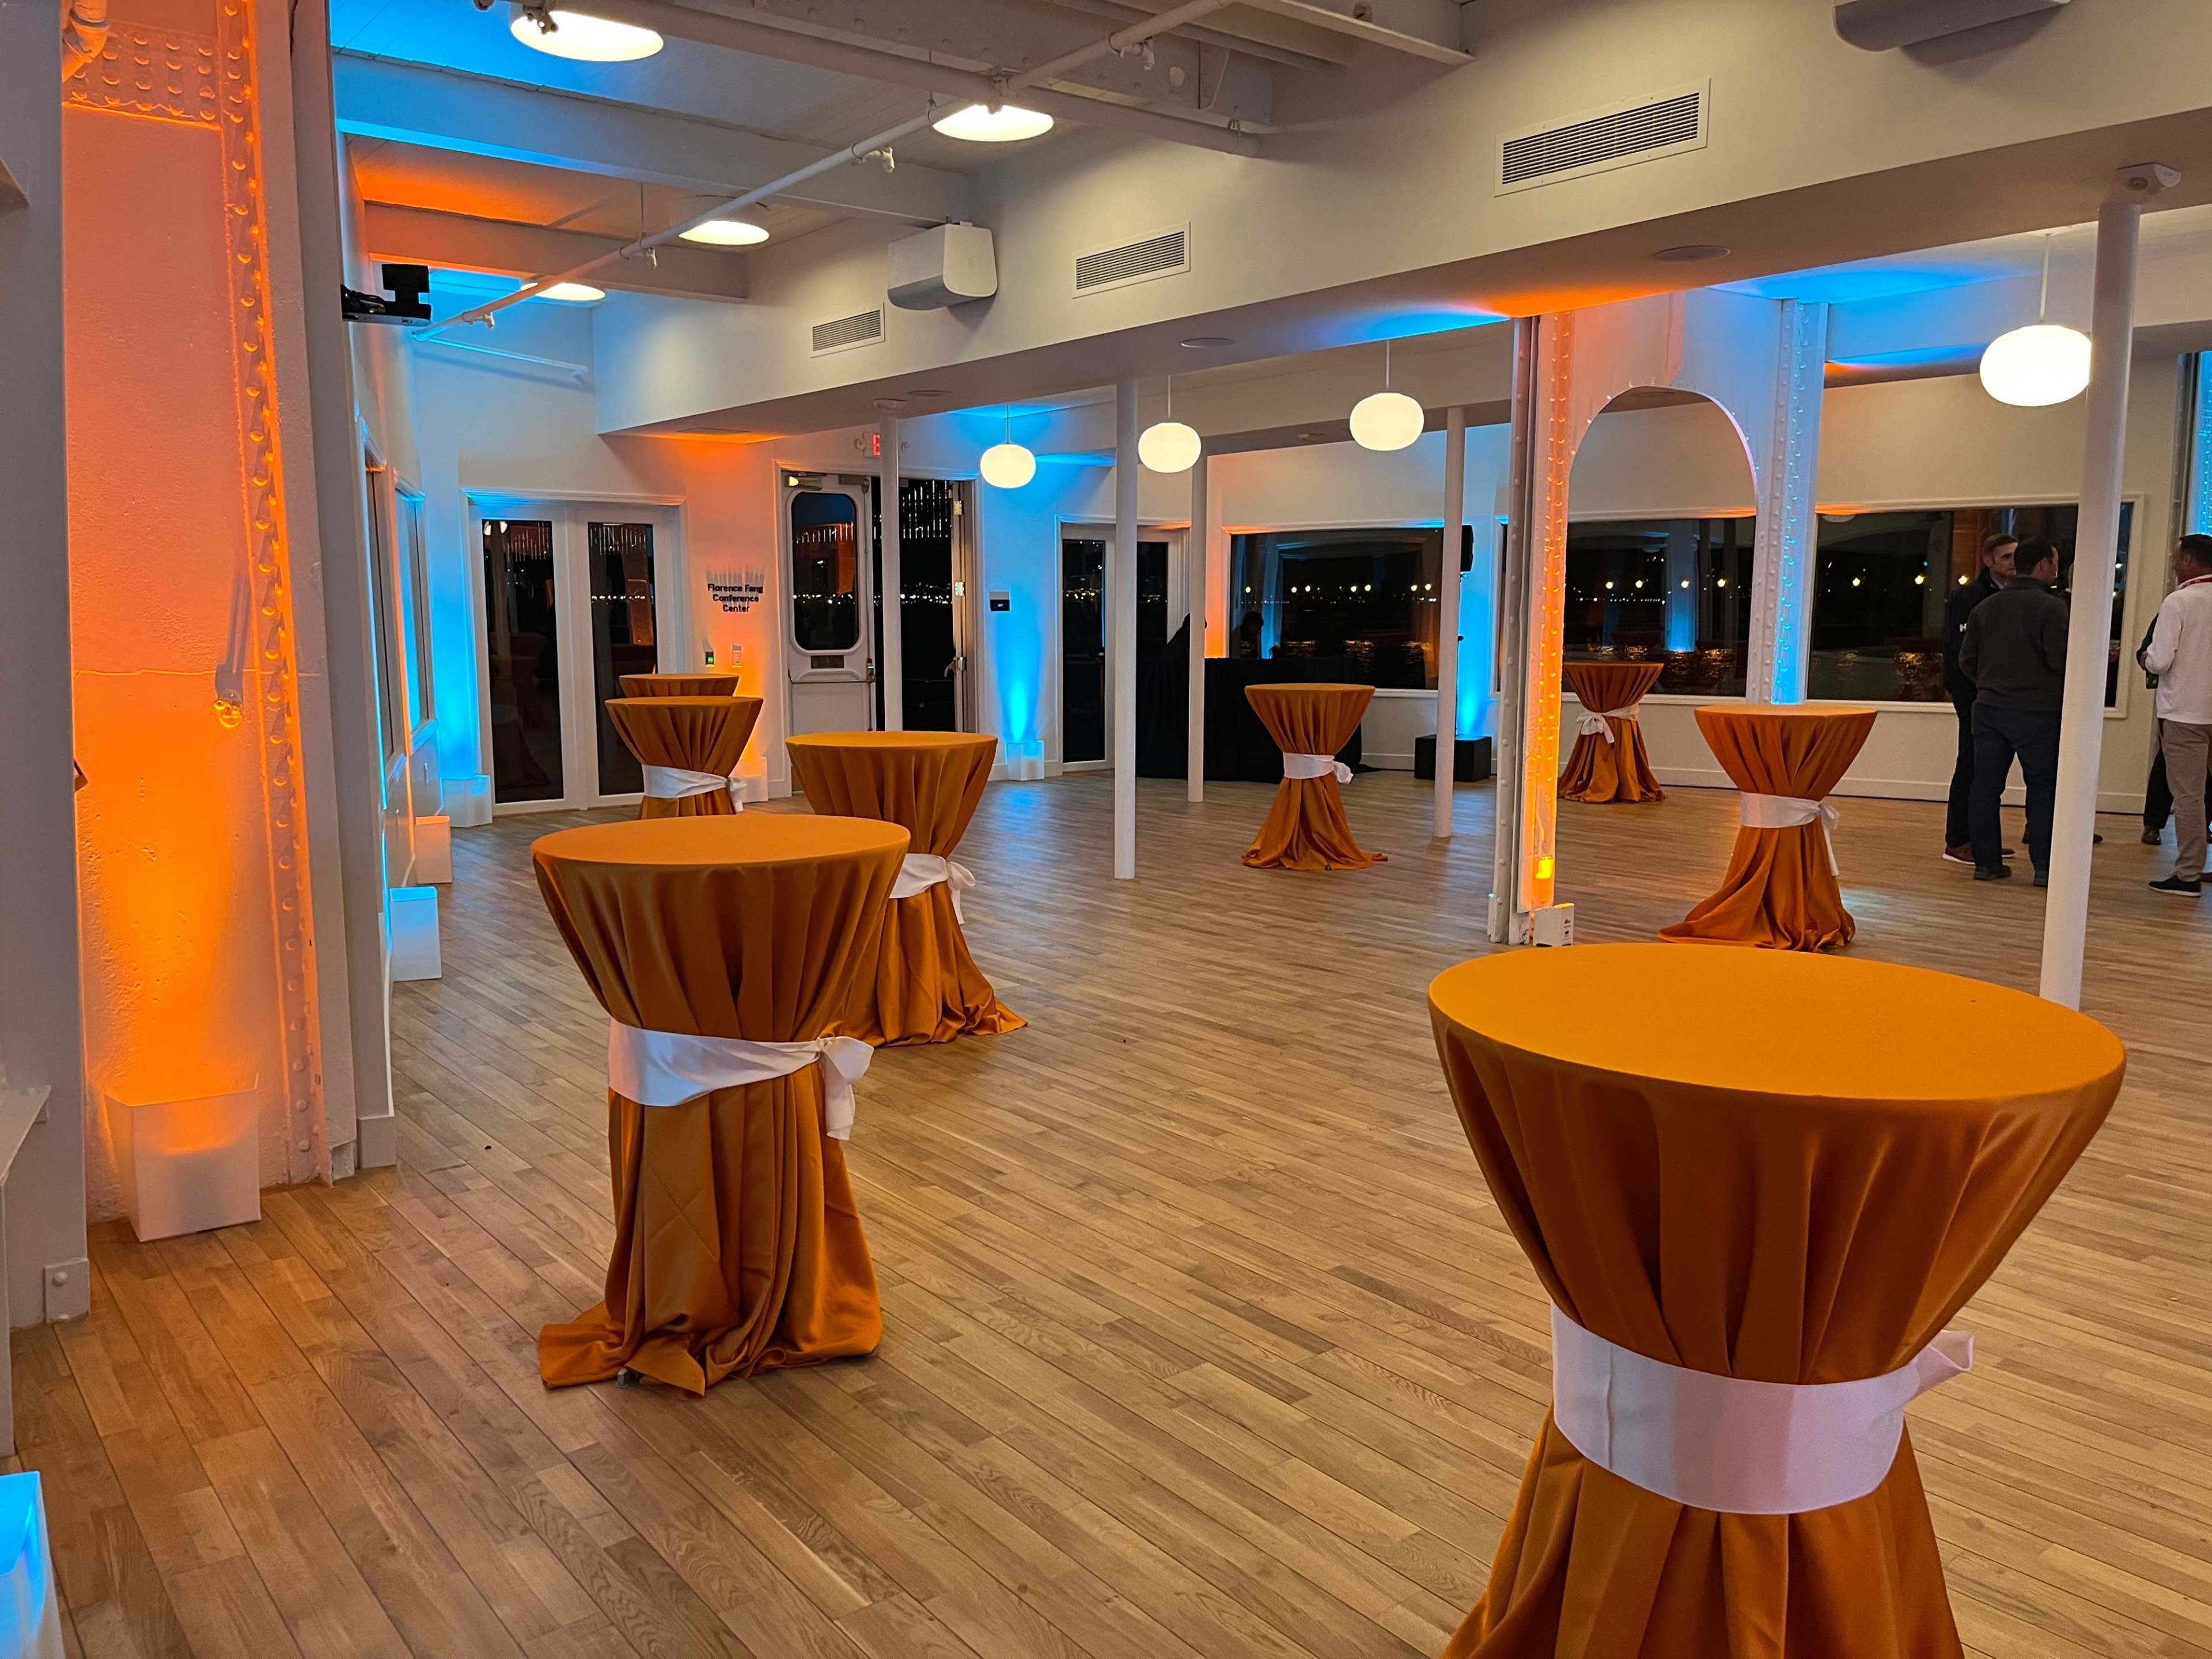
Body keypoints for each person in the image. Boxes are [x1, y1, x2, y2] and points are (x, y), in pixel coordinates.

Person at [1960, 539, 2066, 885]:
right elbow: (2061, 660)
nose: (2055, 570)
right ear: (2042, 567)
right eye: (2054, 563)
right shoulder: (2052, 609)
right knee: (2042, 786)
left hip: (1989, 708)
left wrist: (1990, 684)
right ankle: (2044, 866)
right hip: (2038, 710)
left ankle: (1987, 863)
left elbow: (1966, 660)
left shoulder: (1986, 608)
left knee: (1985, 785)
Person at [2141, 533, 2212, 895]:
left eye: (2174, 557)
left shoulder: (2180, 601)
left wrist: (2144, 658)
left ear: (2187, 560)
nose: (2172, 563)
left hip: (2186, 712)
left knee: (2189, 796)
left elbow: (2159, 658)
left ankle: (2188, 875)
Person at [1942, 532, 2017, 863]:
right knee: (1971, 762)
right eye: (2006, 557)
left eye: (2016, 556)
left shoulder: (2012, 596)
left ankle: (1983, 837)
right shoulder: (1969, 598)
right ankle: (1959, 840)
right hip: (1973, 694)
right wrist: (1979, 687)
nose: (2013, 563)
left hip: (1994, 694)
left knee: (1989, 768)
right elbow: (1962, 652)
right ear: (1988, 561)